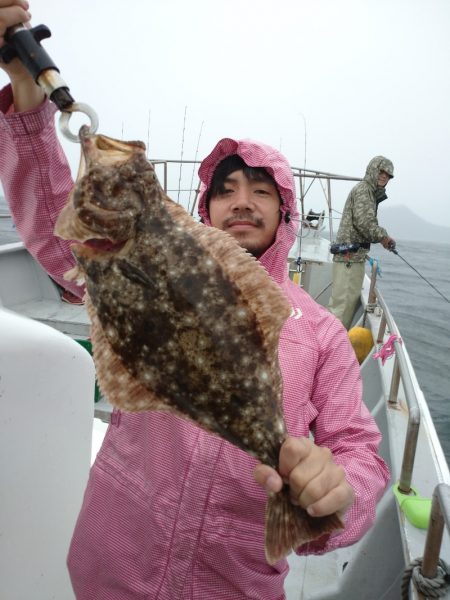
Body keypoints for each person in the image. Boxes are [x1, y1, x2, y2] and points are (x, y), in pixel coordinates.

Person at [0, 4, 390, 598]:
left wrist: (336, 490)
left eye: (262, 191)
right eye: (226, 190)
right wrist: (25, 86)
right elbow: (58, 221)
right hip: (112, 563)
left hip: (232, 584)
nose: (242, 202)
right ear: (202, 210)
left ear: (284, 214)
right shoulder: (138, 261)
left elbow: (359, 453)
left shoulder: (320, 333)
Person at [327, 156, 396, 330]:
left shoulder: (368, 192)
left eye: (388, 175)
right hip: (349, 259)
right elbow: (365, 224)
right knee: (341, 311)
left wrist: (381, 238)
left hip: (351, 258)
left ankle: (331, 348)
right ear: (373, 170)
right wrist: (384, 237)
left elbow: (364, 225)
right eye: (381, 172)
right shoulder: (364, 191)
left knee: (341, 308)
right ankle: (328, 352)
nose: (384, 177)